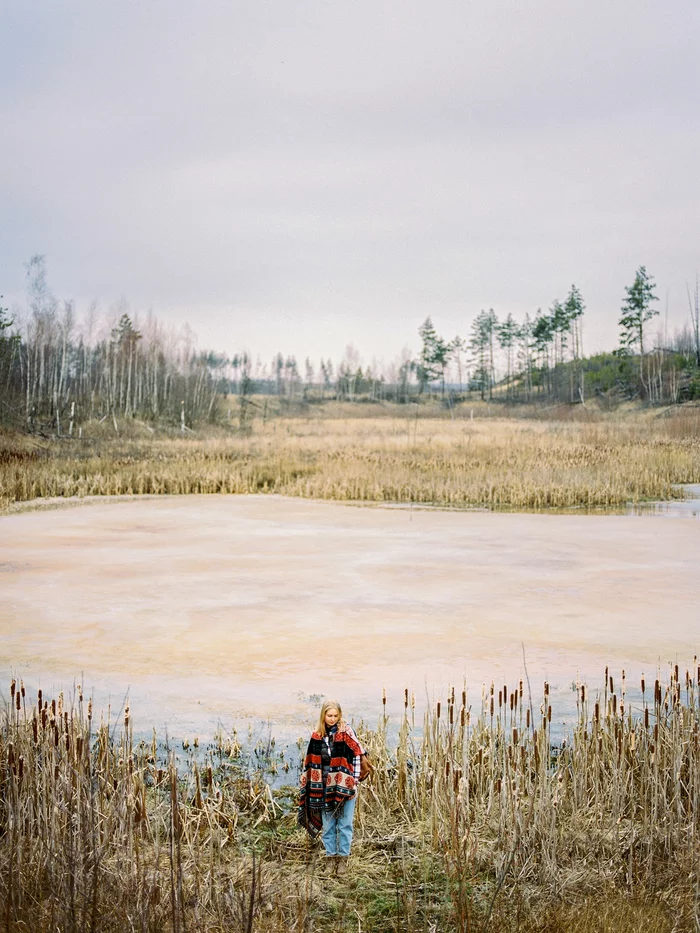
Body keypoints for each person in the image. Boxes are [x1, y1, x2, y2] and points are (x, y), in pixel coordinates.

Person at [298, 699, 368, 876]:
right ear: (323, 716)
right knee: (328, 825)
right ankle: (330, 858)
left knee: (344, 825)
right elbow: (310, 760)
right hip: (323, 788)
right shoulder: (317, 735)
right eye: (329, 715)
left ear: (340, 715)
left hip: (345, 787)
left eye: (336, 715)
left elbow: (358, 754)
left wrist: (353, 781)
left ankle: (342, 860)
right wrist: (306, 778)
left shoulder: (347, 732)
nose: (332, 719)